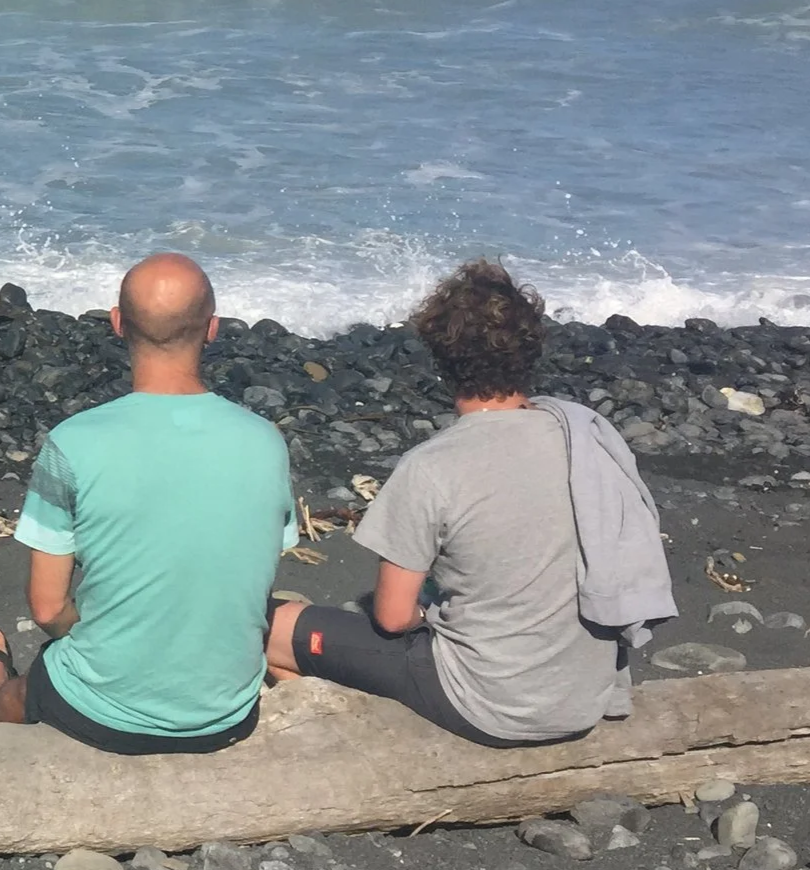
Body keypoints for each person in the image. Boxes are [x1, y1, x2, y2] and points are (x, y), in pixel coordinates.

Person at [0, 253, 298, 755]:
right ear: (212, 329)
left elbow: (48, 607)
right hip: (225, 714)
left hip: (103, 716)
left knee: (43, 677)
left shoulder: (73, 444)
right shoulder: (265, 442)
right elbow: (244, 575)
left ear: (117, 323)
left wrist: (113, 633)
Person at [264, 259, 641, 746]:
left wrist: (430, 618)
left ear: (441, 358)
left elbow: (394, 617)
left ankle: (347, 747)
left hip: (492, 704)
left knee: (269, 625)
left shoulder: (433, 465)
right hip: (582, 693)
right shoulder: (589, 441)